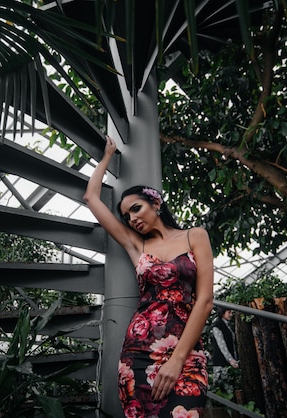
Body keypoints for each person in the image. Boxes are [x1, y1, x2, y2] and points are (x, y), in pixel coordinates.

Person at [83, 136, 214, 417]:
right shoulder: (137, 245)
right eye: (126, 216)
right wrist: (106, 157)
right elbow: (91, 198)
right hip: (138, 355)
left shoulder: (196, 236)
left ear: (155, 203)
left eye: (136, 209)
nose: (132, 219)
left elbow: (204, 301)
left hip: (186, 353)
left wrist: (177, 359)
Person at [211, 307, 238, 383]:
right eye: (229, 312)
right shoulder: (218, 326)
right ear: (223, 313)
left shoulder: (227, 325)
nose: (231, 315)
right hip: (221, 362)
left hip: (228, 362)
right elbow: (221, 344)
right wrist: (230, 359)